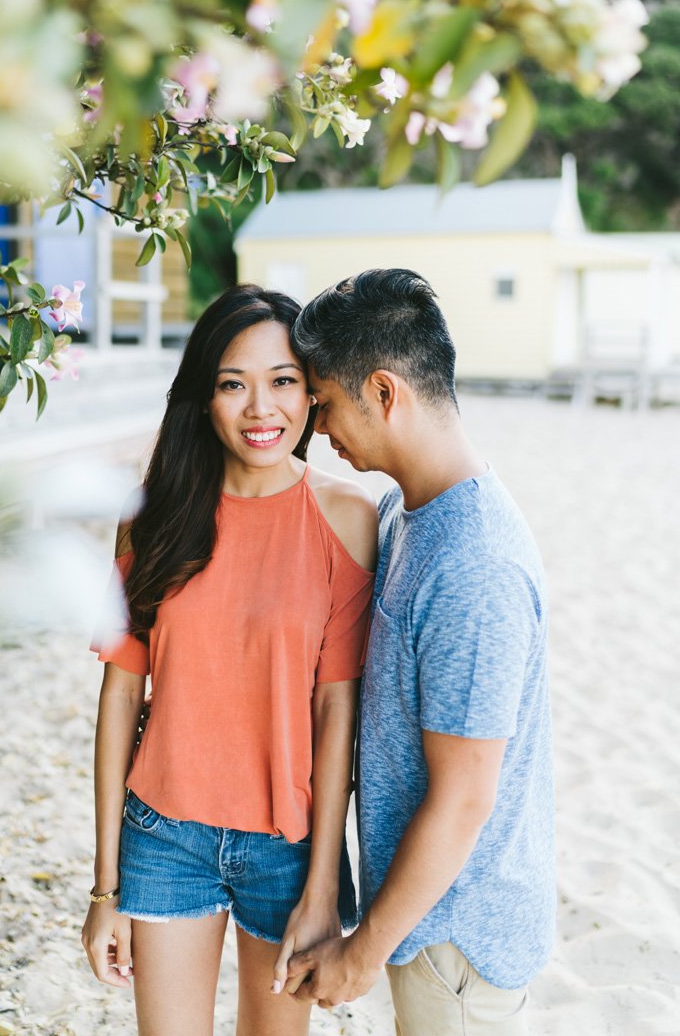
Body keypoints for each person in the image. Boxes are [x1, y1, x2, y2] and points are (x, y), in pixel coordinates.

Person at [82, 284, 377, 1036]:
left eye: (281, 380)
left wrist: (321, 885)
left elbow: (335, 707)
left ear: (311, 393)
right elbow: (120, 694)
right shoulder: (152, 514)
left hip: (287, 848)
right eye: (231, 383)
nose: (260, 408)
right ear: (202, 397)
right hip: (164, 834)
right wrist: (104, 889)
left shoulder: (346, 520)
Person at [279, 268, 554, 1036]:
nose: (320, 429)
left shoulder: (475, 565)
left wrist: (363, 951)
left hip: (461, 944)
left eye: (326, 404)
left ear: (385, 392)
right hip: (429, 922)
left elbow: (466, 795)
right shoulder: (411, 508)